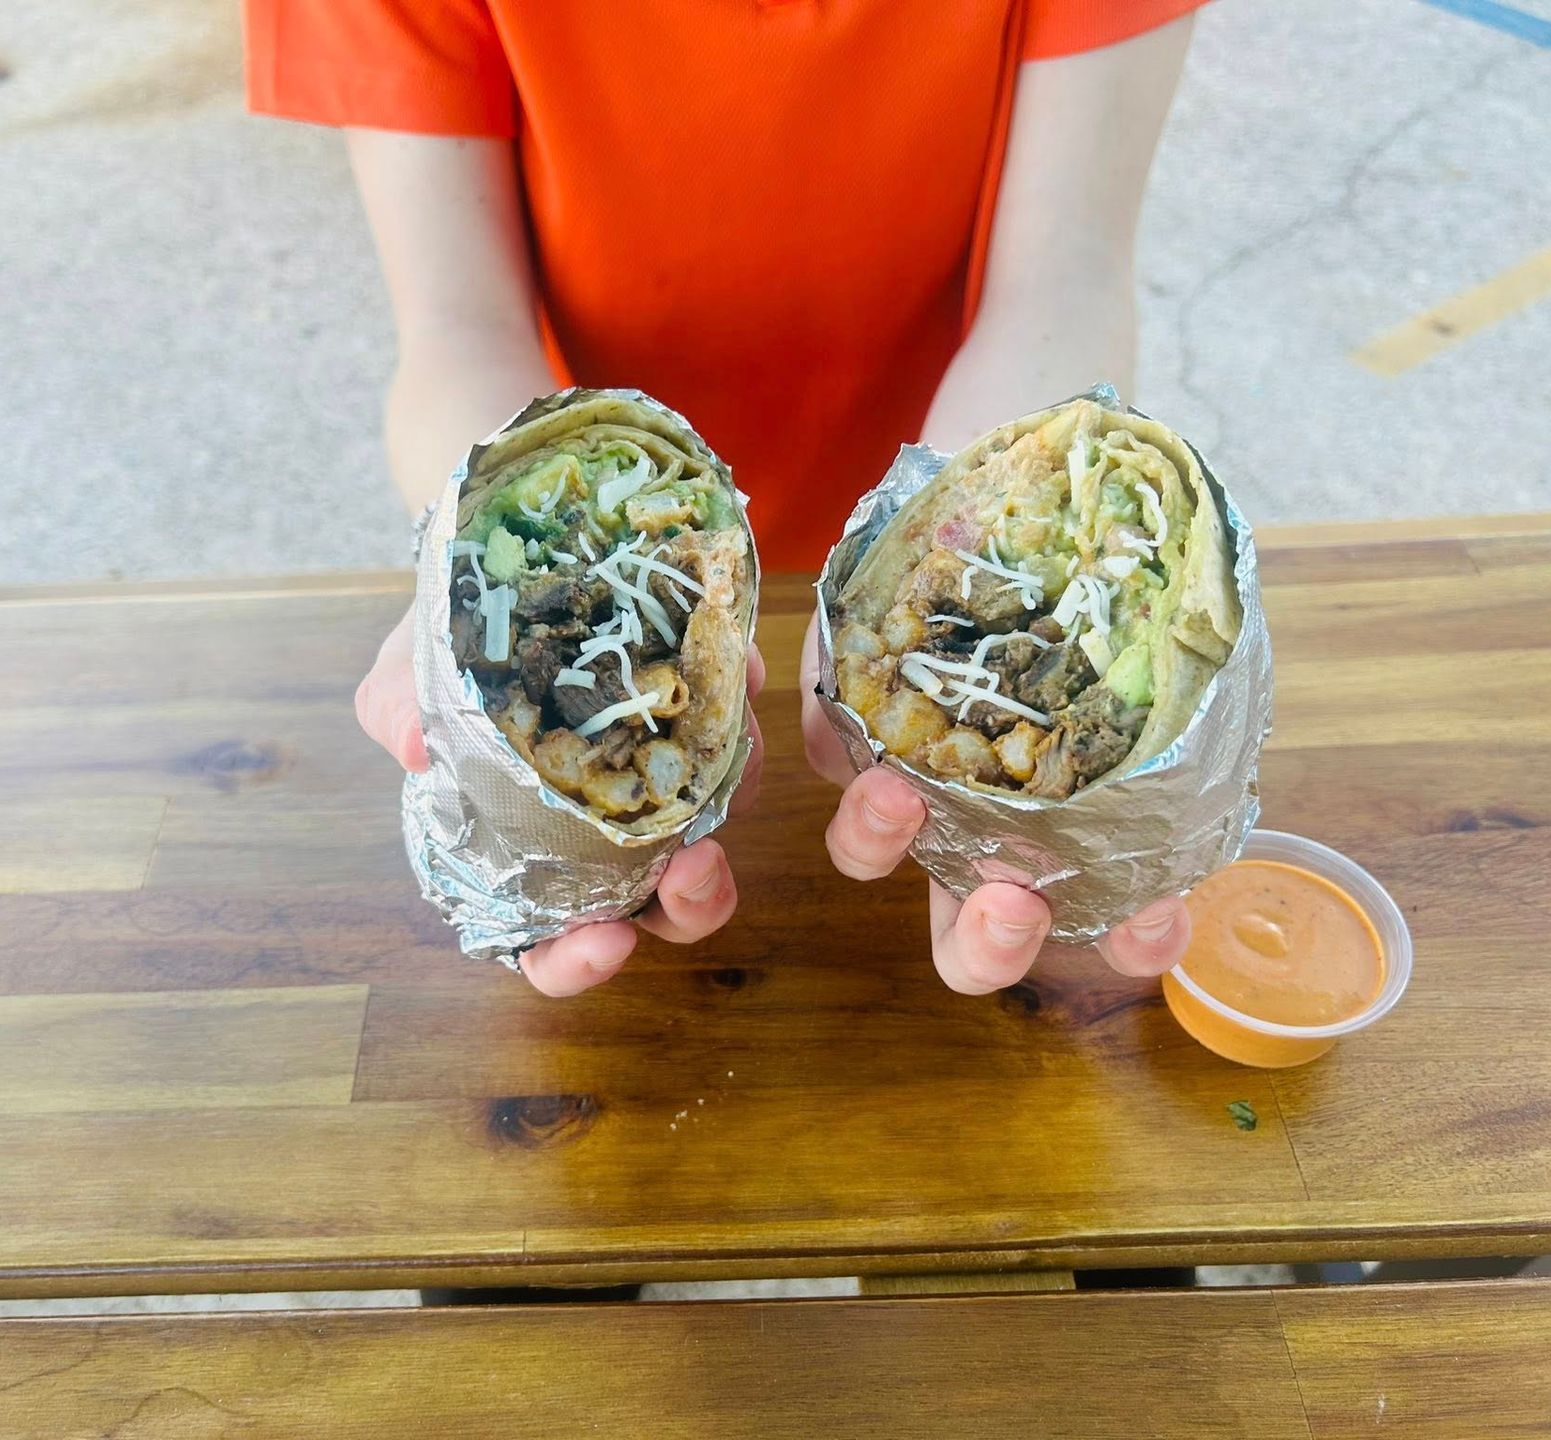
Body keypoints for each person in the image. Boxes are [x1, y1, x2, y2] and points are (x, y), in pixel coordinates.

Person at [250, 0, 1203, 996]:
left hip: (940, 495)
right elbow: (455, 328)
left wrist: (965, 581)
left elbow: (1066, 278)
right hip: (608, 497)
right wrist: (458, 593)